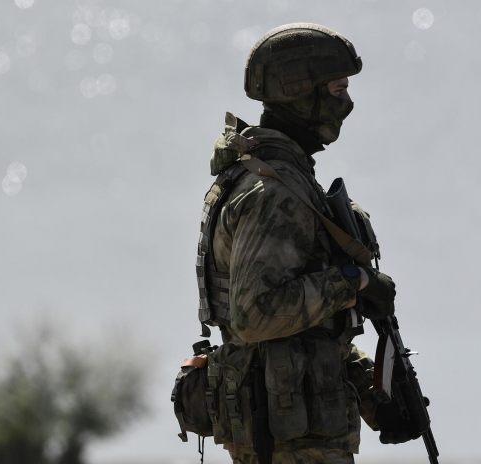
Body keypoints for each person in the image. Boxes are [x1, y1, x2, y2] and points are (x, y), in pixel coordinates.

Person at [194, 23, 418, 464]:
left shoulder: (280, 176)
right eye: (337, 90)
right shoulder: (274, 192)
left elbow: (303, 333)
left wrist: (373, 393)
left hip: (298, 434)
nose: (347, 104)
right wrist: (355, 282)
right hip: (286, 443)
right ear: (300, 92)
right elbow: (256, 317)